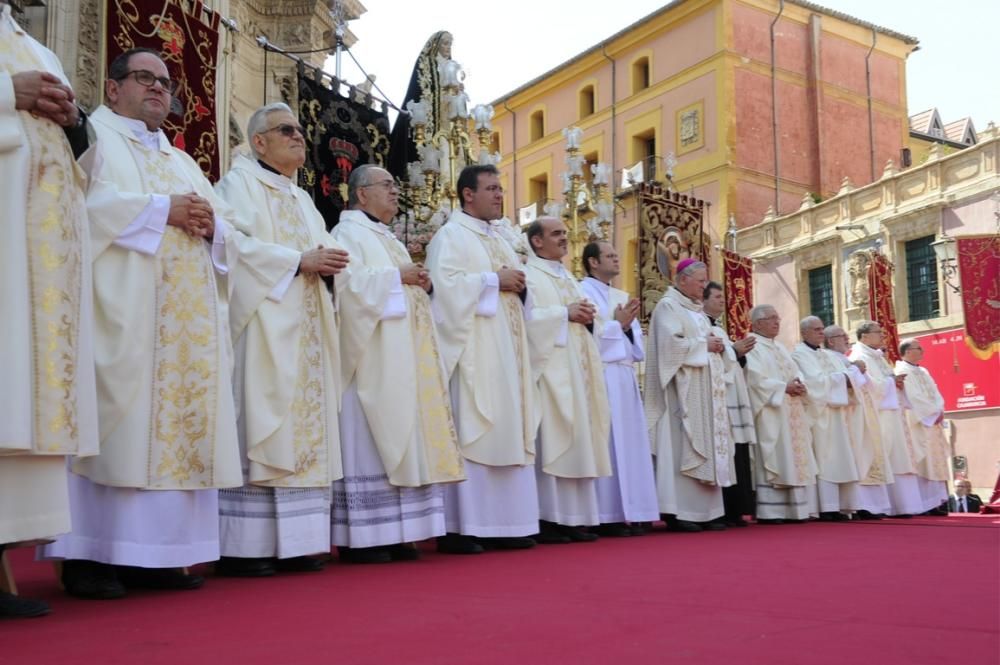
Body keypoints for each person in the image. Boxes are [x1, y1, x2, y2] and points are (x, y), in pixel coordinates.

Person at [42, 48, 291, 598]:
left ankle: (158, 556)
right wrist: (163, 212)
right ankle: (91, 556)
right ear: (112, 89)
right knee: (118, 423)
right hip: (122, 309)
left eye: (164, 82)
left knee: (178, 422)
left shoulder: (182, 161)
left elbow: (224, 225)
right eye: (143, 78)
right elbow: (77, 202)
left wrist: (211, 227)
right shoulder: (92, 137)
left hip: (188, 323)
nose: (158, 89)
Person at [213, 103, 349, 576]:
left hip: (307, 326)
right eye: (285, 130)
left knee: (302, 426)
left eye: (298, 130)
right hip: (264, 325)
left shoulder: (303, 199)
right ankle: (245, 548)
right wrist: (297, 261)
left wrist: (328, 265)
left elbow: (319, 253)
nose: (298, 136)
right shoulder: (237, 184)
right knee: (261, 420)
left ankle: (297, 543)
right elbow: (230, 244)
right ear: (259, 142)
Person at [0, 0, 98, 618]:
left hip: (37, 254)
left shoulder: (32, 44)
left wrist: (74, 122)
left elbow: (83, 158)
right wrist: (9, 91)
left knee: (20, 394)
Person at [329, 164, 465, 563]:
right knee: (372, 437)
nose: (394, 191)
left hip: (404, 353)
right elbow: (347, 288)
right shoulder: (346, 233)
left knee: (407, 432)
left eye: (394, 184)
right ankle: (366, 538)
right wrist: (395, 277)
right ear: (360, 194)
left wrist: (420, 283)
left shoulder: (388, 238)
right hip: (371, 357)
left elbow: (399, 282)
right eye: (385, 185)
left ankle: (401, 531)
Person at [424, 164, 539, 553]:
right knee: (476, 426)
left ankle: (509, 523)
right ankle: (464, 526)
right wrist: (494, 281)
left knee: (508, 423)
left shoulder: (503, 240)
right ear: (467, 194)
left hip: (508, 350)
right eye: (491, 188)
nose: (499, 195)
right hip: (473, 351)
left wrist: (521, 288)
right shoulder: (451, 236)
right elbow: (443, 291)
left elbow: (521, 286)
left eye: (501, 188)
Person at [523, 221, 611, 543]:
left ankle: (575, 519)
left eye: (564, 233)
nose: (565, 239)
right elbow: (526, 321)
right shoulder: (530, 275)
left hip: (579, 367)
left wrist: (589, 319)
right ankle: (550, 518)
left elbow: (590, 321)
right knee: (554, 438)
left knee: (580, 437)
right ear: (537, 241)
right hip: (551, 370)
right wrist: (564, 313)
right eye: (557, 234)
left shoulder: (568, 278)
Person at [644, 259, 734, 532]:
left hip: (706, 391)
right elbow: (670, 346)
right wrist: (703, 345)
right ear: (682, 280)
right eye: (700, 281)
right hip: (680, 394)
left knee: (707, 445)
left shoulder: (696, 311)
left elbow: (715, 346)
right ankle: (680, 512)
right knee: (682, 447)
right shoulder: (668, 306)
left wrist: (720, 347)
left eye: (706, 280)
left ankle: (708, 512)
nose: (704, 286)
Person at [580, 241, 659, 536]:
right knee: (608, 441)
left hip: (624, 376)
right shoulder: (581, 291)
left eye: (616, 254)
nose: (617, 259)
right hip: (600, 374)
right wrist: (617, 325)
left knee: (629, 443)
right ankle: (606, 512)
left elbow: (637, 350)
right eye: (610, 256)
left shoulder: (621, 295)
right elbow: (586, 337)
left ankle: (635, 510)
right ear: (593, 262)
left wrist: (625, 327)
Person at [743, 305, 818, 523]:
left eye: (778, 318)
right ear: (757, 323)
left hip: (791, 409)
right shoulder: (752, 346)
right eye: (771, 319)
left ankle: (796, 510)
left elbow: (795, 373)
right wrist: (782, 387)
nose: (777, 322)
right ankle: (771, 512)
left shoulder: (781, 348)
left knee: (792, 456)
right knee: (776, 456)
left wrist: (800, 385)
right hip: (771, 411)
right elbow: (754, 380)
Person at [849, 321, 928, 517]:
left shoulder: (877, 357)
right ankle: (871, 506)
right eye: (878, 332)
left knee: (897, 458)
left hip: (891, 413)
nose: (882, 335)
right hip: (876, 415)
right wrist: (891, 382)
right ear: (864, 336)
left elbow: (883, 381)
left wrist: (894, 382)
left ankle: (901, 505)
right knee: (877, 457)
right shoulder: (859, 356)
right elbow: (869, 386)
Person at [792, 317, 861, 521]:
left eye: (822, 329)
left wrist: (847, 378)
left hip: (838, 415)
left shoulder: (828, 356)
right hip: (819, 415)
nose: (821, 333)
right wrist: (846, 378)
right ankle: (825, 507)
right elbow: (814, 383)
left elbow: (846, 376)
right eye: (816, 330)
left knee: (841, 459)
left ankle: (841, 506)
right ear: (804, 333)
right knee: (824, 460)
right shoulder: (799, 355)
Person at [701, 281, 757, 527]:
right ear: (703, 300)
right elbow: (716, 360)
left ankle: (737, 508)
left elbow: (730, 362)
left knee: (737, 452)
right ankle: (725, 508)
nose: (722, 301)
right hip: (718, 398)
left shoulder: (719, 329)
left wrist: (739, 355)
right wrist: (734, 351)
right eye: (716, 297)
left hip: (733, 396)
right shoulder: (701, 326)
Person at [822, 325, 893, 518]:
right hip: (846, 416)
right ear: (830, 341)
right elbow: (833, 384)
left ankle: (870, 505)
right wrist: (855, 370)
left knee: (866, 455)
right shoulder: (827, 358)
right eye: (842, 336)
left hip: (861, 414)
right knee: (857, 458)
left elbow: (867, 385)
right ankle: (859, 505)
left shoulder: (845, 358)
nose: (847, 339)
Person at [894, 339, 950, 515]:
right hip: (918, 423)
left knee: (935, 461)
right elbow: (914, 397)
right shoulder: (901, 370)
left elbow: (935, 391)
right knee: (922, 461)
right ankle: (924, 504)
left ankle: (937, 502)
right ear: (908, 351)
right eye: (919, 348)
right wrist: (932, 413)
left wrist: (939, 409)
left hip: (932, 422)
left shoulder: (923, 371)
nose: (922, 351)